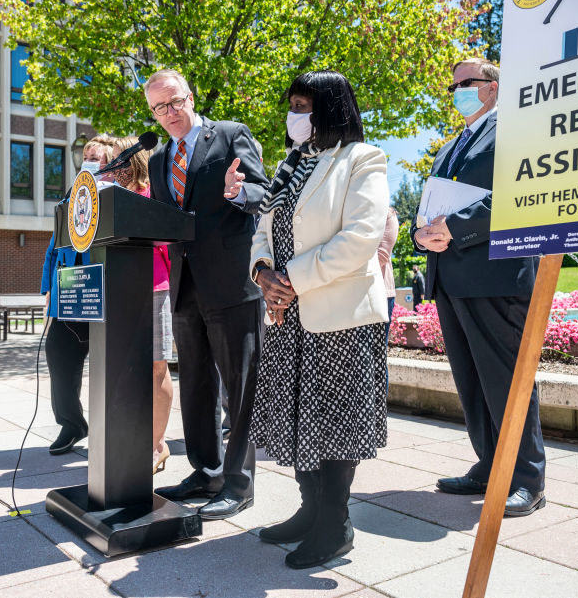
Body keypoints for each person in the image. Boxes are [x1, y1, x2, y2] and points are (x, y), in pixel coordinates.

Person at [243, 70, 390, 570]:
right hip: (287, 315)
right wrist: (263, 273)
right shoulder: (290, 164)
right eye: (293, 105)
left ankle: (335, 522)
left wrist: (292, 280)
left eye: (304, 105)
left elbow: (361, 236)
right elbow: (263, 233)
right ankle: (309, 510)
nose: (295, 115)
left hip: (339, 316)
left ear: (331, 108)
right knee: (295, 415)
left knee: (334, 420)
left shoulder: (362, 160)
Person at [410, 57, 544, 516]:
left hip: (495, 274)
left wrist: (457, 226)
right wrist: (420, 231)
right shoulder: (452, 145)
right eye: (453, 86)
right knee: (472, 381)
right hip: (451, 276)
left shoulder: (514, 129)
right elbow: (432, 200)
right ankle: (490, 464)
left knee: (507, 381)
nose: (457, 92)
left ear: (491, 87)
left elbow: (520, 191)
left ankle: (527, 478)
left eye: (465, 83)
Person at [145, 68, 270, 520]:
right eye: (158, 108)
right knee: (195, 384)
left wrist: (239, 192)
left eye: (174, 102)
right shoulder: (159, 158)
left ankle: (239, 483)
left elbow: (264, 192)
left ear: (190, 97)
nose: (168, 113)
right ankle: (207, 470)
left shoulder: (230, 135)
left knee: (239, 388)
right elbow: (164, 216)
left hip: (232, 282)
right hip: (184, 285)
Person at [105, 137, 176, 474]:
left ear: (135, 160)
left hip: (154, 287)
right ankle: (130, 439)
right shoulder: (109, 197)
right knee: (125, 368)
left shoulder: (154, 193)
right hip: (118, 288)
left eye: (118, 158)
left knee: (155, 366)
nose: (113, 164)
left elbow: (168, 240)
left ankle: (156, 445)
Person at [40, 136, 114, 455]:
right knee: (58, 353)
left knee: (110, 368)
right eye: (86, 154)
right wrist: (49, 290)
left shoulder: (116, 193)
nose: (89, 158)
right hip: (71, 291)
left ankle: (116, 431)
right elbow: (53, 247)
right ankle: (72, 424)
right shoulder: (71, 195)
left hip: (107, 291)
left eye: (96, 155)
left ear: (111, 161)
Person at [377, 205, 399, 343]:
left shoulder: (387, 214)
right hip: (348, 294)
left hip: (380, 293)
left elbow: (382, 255)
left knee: (376, 354)